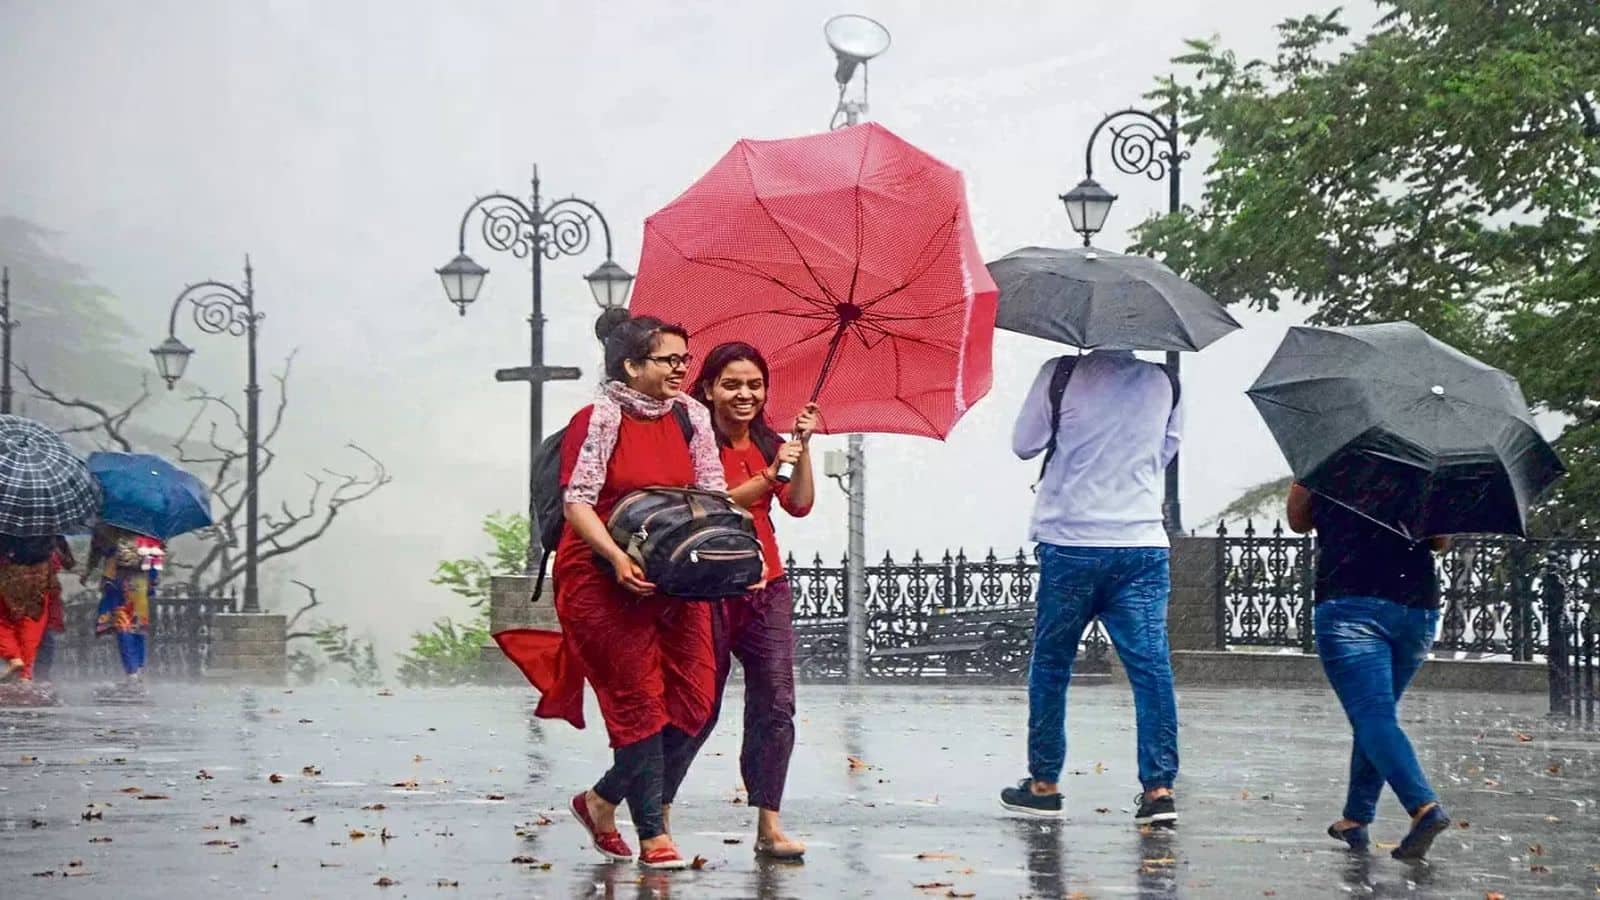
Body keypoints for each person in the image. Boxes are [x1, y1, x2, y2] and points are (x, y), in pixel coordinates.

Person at [502, 315, 726, 871]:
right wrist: (616, 557)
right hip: (601, 575)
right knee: (639, 704)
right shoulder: (599, 418)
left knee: (695, 700)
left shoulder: (692, 417)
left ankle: (600, 800)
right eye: (669, 359)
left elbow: (712, 493)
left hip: (671, 574)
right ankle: (653, 835)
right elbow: (578, 501)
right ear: (631, 366)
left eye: (684, 358)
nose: (682, 368)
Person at [999, 349, 1183, 827]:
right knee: (1151, 669)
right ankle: (1159, 790)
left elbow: (1024, 444)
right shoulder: (1166, 382)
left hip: (1071, 541)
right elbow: (1164, 453)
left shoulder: (1061, 372)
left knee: (1052, 664)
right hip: (1141, 544)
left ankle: (1044, 785)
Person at [665, 341, 817, 860]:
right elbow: (712, 503)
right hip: (707, 589)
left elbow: (799, 504)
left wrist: (801, 448)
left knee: (776, 705)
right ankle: (657, 815)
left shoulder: (769, 442)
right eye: (731, 384)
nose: (745, 394)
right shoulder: (693, 441)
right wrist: (769, 474)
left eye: (755, 385)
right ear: (708, 389)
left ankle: (769, 824)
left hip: (766, 587)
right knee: (696, 705)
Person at [1286, 483, 1452, 860]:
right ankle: (1356, 817)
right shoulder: (1425, 465)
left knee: (1372, 715)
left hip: (1350, 600)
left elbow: (1298, 521)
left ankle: (1423, 807)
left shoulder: (1331, 458)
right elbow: (1440, 541)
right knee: (1377, 717)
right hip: (1416, 607)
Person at [88, 524, 164, 683]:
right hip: (139, 583)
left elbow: (98, 552)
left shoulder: (108, 530)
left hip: (117, 584)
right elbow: (154, 562)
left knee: (123, 627)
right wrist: (152, 578)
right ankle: (138, 667)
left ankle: (132, 671)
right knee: (137, 626)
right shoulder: (148, 530)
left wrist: (89, 571)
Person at [0, 534, 57, 682]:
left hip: (11, 577)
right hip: (39, 580)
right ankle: (25, 674)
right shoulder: (46, 529)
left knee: (3, 622)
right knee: (32, 626)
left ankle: (14, 657)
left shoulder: (8, 527)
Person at [33, 536, 75, 682]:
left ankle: (42, 675)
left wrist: (55, 549)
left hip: (49, 593)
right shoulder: (16, 537)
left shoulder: (57, 539)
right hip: (24, 591)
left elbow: (69, 564)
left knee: (46, 635)